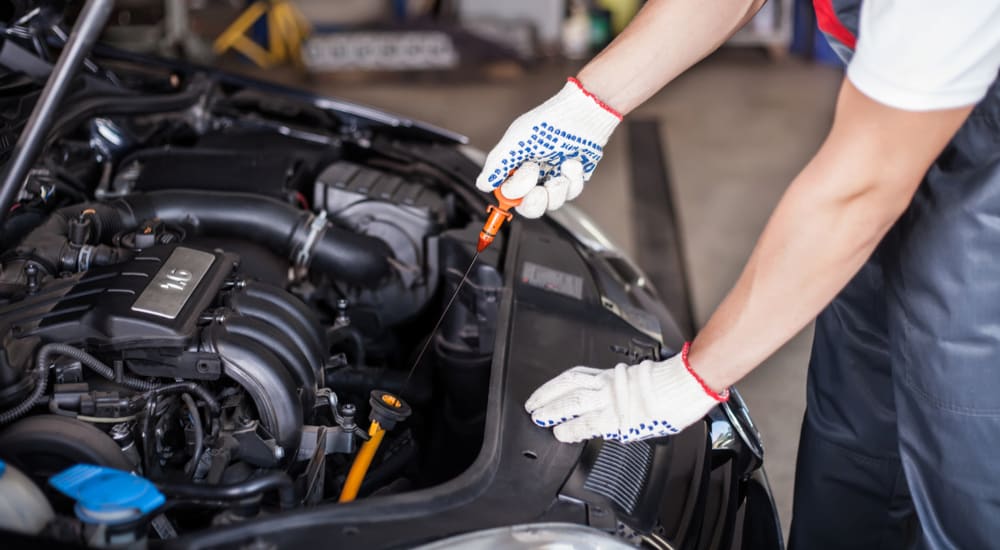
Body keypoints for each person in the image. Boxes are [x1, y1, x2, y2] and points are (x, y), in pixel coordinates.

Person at [475, 0, 1000, 547]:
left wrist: (689, 380)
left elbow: (861, 189)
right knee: (855, 441)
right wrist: (588, 106)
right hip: (900, 120)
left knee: (969, 470)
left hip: (981, 186)